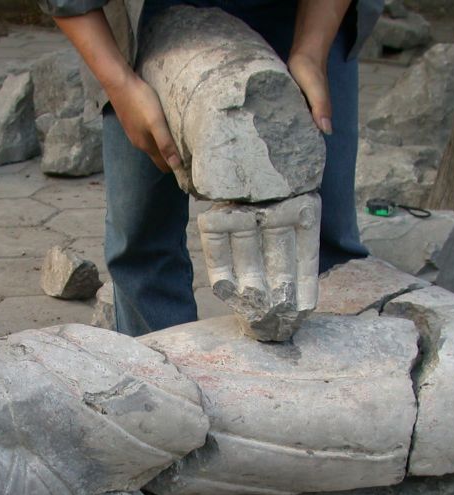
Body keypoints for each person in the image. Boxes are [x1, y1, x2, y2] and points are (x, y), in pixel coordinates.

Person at [39, 0, 384, 336]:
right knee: (143, 240)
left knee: (325, 237)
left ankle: (340, 380)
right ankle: (163, 383)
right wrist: (120, 85)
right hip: (149, 11)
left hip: (296, 10)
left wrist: (311, 51)